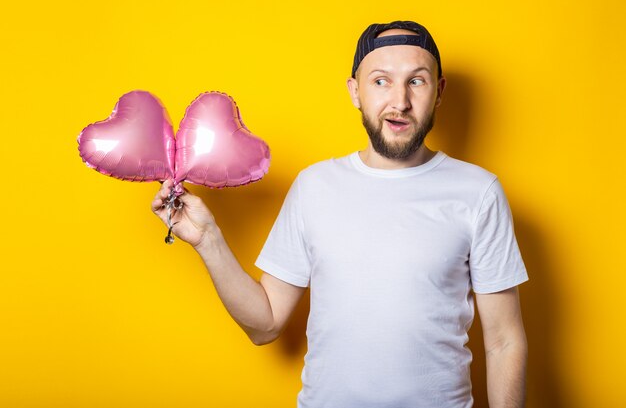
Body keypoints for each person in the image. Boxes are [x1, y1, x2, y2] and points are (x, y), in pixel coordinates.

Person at [152, 20, 528, 408]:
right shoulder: (314, 186)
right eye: (381, 81)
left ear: (439, 91)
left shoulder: (478, 192)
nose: (399, 101)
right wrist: (207, 240)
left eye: (417, 81)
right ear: (355, 91)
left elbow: (503, 342)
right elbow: (264, 325)